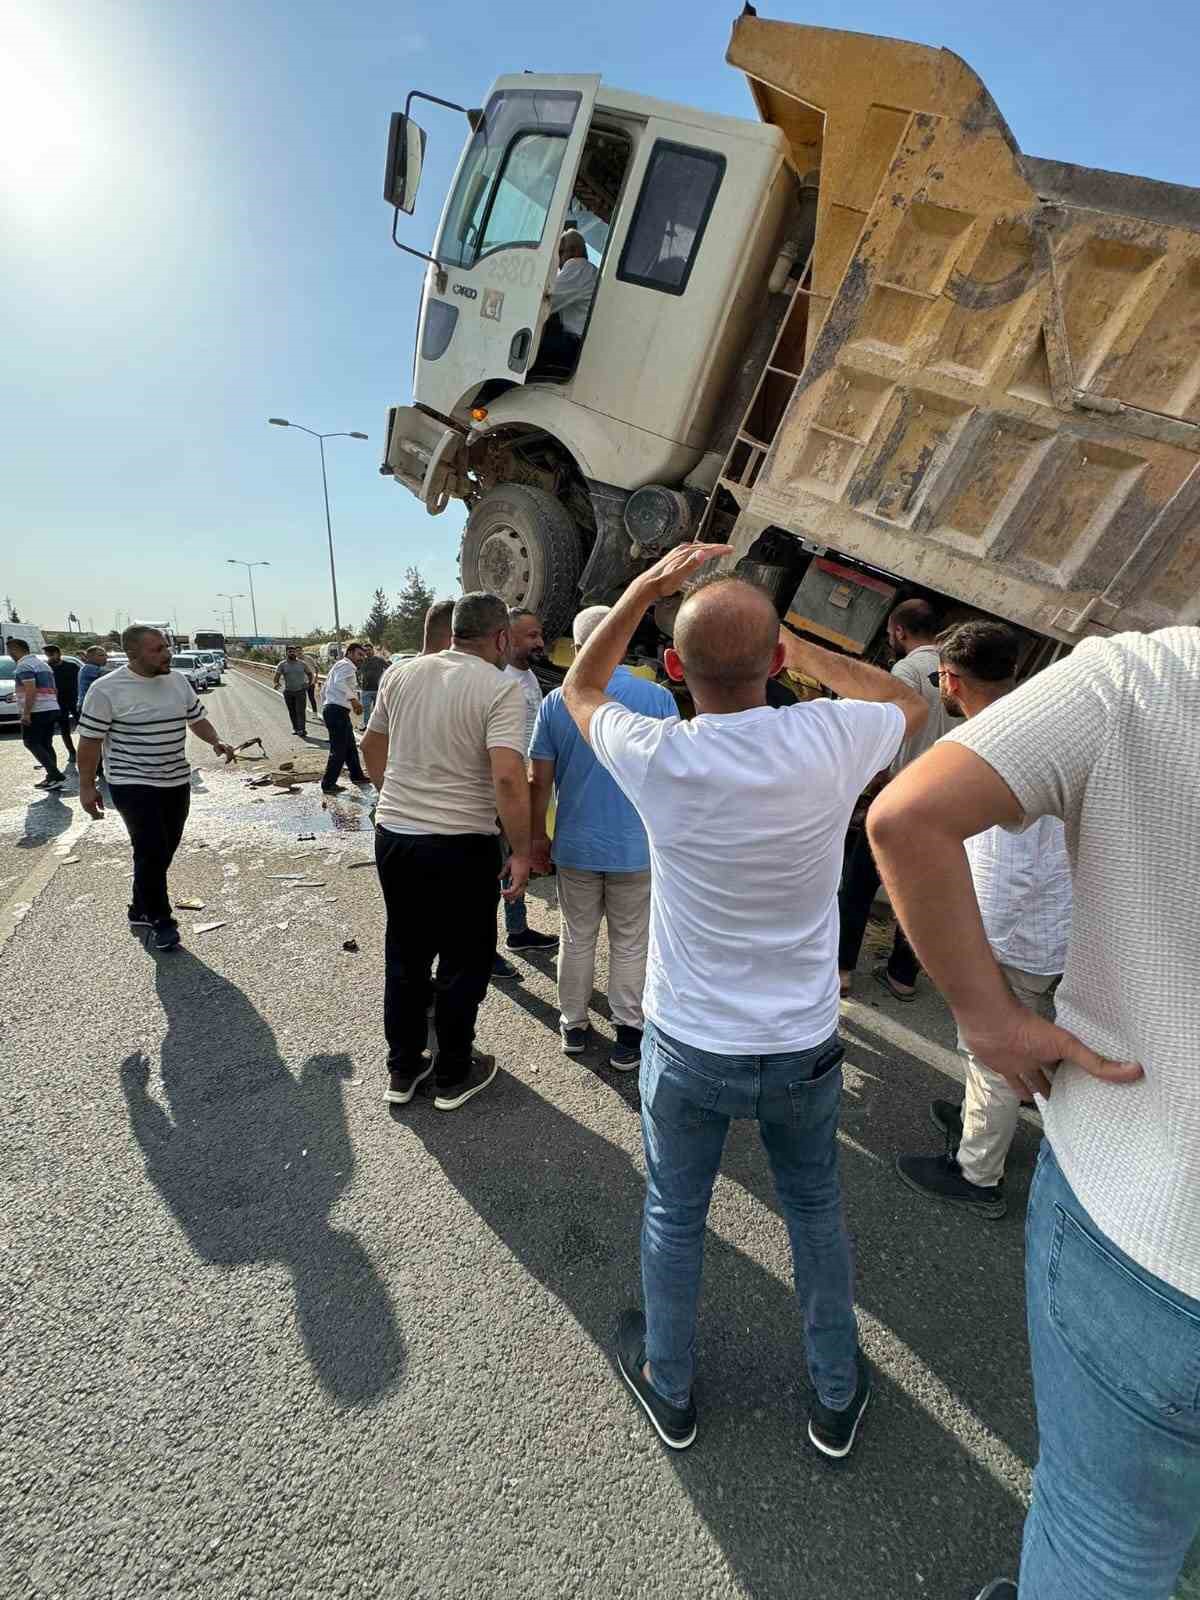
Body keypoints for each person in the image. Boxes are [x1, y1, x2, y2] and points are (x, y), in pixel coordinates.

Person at [561, 545, 926, 1454]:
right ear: (775, 665)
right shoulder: (829, 738)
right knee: (814, 1213)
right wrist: (802, 649)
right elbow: (911, 704)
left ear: (675, 669)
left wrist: (645, 589)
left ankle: (671, 1388)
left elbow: (580, 688)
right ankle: (835, 1394)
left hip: (688, 1044)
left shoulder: (659, 754)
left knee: (674, 1213)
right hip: (802, 1045)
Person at [868, 626, 1199, 1600]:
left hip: (1147, 1221)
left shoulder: (1143, 677)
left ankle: (975, 1166)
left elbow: (905, 818)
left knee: (1100, 1538)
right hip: (1049, 963)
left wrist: (988, 1022)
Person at [893, 621, 1072, 1219]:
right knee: (1002, 1049)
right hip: (1038, 929)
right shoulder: (1036, 725)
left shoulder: (993, 747)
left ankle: (978, 1174)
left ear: (951, 679)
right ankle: (983, 1122)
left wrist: (959, 948)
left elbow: (1009, 872)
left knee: (995, 1050)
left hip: (1012, 935)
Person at [360, 592, 531, 1113]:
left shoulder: (401, 674)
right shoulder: (501, 689)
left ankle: (403, 1068)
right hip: (461, 843)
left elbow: (371, 749)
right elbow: (506, 776)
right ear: (500, 637)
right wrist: (522, 849)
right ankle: (455, 1071)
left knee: (406, 953)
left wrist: (396, 795)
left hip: (396, 838)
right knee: (464, 956)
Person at [530, 606, 677, 1069]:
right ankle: (629, 1033)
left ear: (576, 650)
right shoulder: (657, 699)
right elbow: (674, 777)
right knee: (632, 940)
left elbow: (540, 779)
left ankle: (573, 1024)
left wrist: (536, 838)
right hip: (636, 847)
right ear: (620, 641)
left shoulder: (557, 703)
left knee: (576, 936)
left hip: (575, 845)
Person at [76, 625, 236, 951]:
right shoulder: (106, 690)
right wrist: (86, 787)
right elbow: (90, 742)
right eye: (157, 650)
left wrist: (216, 740)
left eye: (166, 647)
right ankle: (161, 920)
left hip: (176, 779)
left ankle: (139, 906)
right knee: (150, 849)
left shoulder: (178, 681)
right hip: (131, 782)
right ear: (133, 654)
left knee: (165, 849)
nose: (167, 654)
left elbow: (196, 719)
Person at [837, 596, 953, 999]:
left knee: (858, 884)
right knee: (916, 890)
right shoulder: (958, 670)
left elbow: (889, 732)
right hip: (944, 797)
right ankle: (904, 976)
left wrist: (866, 783)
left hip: (900, 791)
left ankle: (842, 970)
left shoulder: (908, 670)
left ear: (899, 631)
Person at [499, 608, 558, 961]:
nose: (539, 642)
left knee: (512, 865)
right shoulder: (503, 682)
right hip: (509, 790)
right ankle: (481, 947)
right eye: (531, 636)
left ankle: (517, 932)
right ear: (507, 638)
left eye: (539, 634)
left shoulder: (528, 677)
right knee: (502, 864)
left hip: (527, 786)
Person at [535, 230, 599, 371]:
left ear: (574, 251)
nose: (558, 263)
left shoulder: (578, 266)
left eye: (560, 253)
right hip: (583, 346)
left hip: (576, 347)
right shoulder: (590, 271)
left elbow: (546, 300)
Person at [9, 637, 66, 791]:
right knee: (46, 744)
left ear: (16, 649)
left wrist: (26, 713)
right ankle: (52, 778)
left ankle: (55, 775)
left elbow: (30, 689)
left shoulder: (24, 665)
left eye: (10, 651)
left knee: (31, 742)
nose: (10, 654)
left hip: (37, 710)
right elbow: (55, 688)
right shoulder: (43, 665)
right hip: (51, 707)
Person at [321, 641, 369, 794]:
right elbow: (339, 683)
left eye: (364, 655)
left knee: (349, 746)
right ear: (349, 653)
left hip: (336, 710)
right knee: (339, 749)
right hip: (336, 711)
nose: (362, 658)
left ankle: (357, 775)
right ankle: (328, 784)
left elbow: (325, 688)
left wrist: (327, 704)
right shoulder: (346, 665)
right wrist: (354, 700)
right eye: (359, 654)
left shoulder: (340, 665)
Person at [44, 645, 80, 764]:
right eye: (47, 655)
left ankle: (89, 750)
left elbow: (80, 682)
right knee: (64, 729)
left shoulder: (72, 666)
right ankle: (72, 752)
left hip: (75, 701)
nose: (49, 657)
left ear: (58, 653)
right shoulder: (47, 668)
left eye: (51, 654)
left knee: (85, 727)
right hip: (59, 703)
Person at [273, 646, 316, 737]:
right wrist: (276, 683)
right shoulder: (282, 664)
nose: (292, 653)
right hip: (288, 692)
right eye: (290, 652)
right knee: (292, 711)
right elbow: (276, 677)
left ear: (296, 653)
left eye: (293, 652)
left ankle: (302, 729)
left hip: (300, 691)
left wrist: (308, 683)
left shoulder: (302, 664)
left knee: (300, 711)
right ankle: (295, 728)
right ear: (286, 653)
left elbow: (310, 674)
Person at [359, 645, 390, 730]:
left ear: (372, 650)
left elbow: (389, 668)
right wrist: (358, 682)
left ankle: (378, 727)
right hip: (365, 689)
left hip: (378, 689)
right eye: (365, 650)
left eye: (369, 650)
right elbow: (356, 671)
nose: (367, 652)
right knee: (366, 708)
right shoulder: (362, 661)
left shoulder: (379, 660)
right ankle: (367, 725)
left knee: (378, 710)